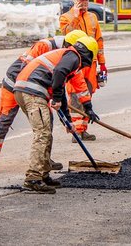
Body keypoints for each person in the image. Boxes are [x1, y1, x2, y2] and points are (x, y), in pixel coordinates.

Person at [0, 30, 87, 174]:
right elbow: (27, 68)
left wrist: (86, 105)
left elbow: (73, 81)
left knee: (45, 121)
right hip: (16, 83)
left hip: (35, 88)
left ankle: (44, 159)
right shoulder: (46, 45)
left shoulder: (70, 56)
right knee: (4, 120)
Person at [13, 35, 100, 193]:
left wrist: (68, 120)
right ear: (88, 53)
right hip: (32, 92)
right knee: (42, 134)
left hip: (27, 90)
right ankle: (33, 178)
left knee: (46, 133)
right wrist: (57, 99)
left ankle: (43, 174)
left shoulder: (68, 56)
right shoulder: (73, 56)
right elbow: (59, 74)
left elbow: (60, 89)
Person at [59, 0, 107, 141]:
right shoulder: (66, 17)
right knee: (74, 96)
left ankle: (82, 128)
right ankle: (76, 131)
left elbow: (99, 41)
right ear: (74, 0)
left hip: (91, 64)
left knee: (88, 95)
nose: (84, 3)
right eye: (81, 0)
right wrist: (76, 14)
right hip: (76, 63)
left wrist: (102, 63)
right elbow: (67, 33)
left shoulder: (92, 17)